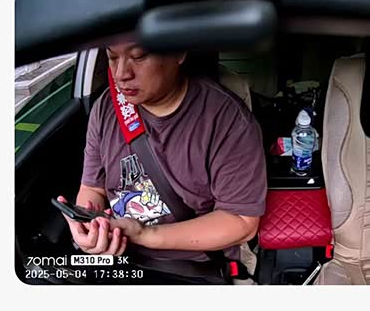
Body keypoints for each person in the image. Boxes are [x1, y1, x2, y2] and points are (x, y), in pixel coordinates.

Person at [70, 40, 268, 279]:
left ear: (178, 53)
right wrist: (88, 225)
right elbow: (92, 188)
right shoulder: (106, 108)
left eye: (139, 57)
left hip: (194, 267)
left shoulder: (227, 120)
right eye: (112, 58)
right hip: (119, 259)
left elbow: (241, 223)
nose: (121, 74)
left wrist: (144, 234)